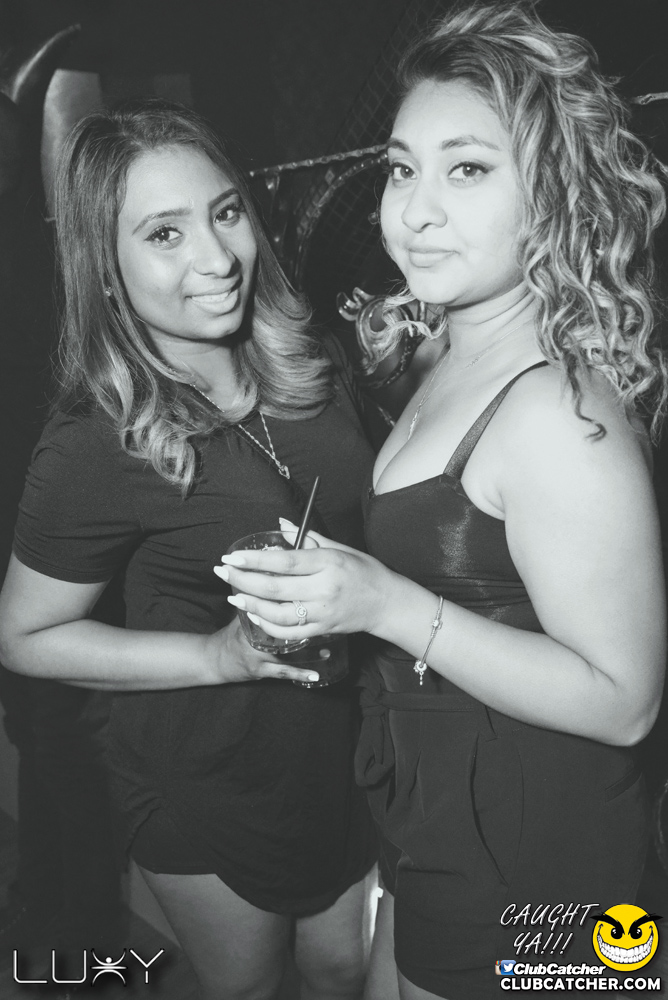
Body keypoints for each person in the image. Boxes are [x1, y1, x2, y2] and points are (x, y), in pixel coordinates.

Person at [217, 5, 668, 999]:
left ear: (553, 192)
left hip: (540, 867)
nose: (414, 210)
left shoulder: (555, 412)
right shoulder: (444, 356)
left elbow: (626, 701)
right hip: (437, 823)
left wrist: (384, 602)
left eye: (466, 169)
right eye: (400, 167)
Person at [0, 98, 378, 1000]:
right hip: (204, 780)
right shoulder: (96, 441)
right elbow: (23, 636)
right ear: (106, 270)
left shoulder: (315, 362)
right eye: (164, 234)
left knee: (345, 970)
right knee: (249, 988)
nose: (217, 258)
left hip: (343, 758)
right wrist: (217, 655)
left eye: (226, 212)